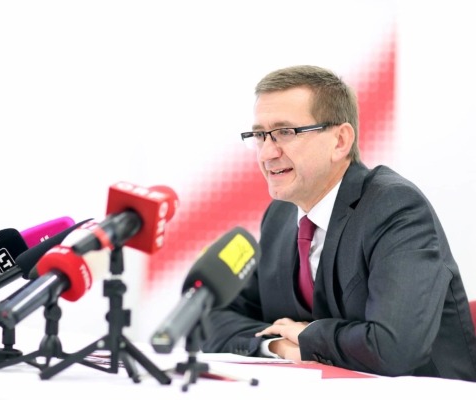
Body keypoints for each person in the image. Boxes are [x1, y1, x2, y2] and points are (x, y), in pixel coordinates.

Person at [201, 65, 476, 381]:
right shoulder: (279, 217)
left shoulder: (395, 208)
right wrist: (279, 346)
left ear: (340, 140)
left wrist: (308, 338)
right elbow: (213, 318)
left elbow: (394, 347)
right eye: (259, 135)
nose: (267, 153)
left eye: (285, 132)